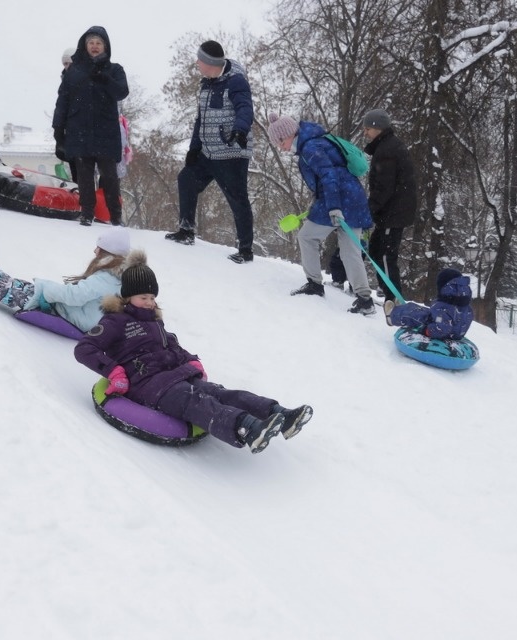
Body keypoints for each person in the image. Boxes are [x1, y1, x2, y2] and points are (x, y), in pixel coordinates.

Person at [73, 256, 313, 453]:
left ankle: (280, 414)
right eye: (143, 297)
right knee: (196, 402)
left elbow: (172, 344)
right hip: (148, 386)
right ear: (127, 297)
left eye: (152, 297)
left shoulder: (155, 321)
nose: (149, 302)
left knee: (221, 393)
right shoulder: (115, 321)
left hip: (175, 376)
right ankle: (247, 428)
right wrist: (114, 371)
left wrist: (191, 361)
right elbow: (84, 349)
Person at [267, 114, 376, 315]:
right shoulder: (314, 141)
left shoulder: (310, 147)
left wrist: (333, 207)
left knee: (307, 237)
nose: (281, 147)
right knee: (350, 250)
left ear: (290, 134)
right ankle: (365, 300)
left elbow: (329, 176)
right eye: (277, 143)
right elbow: (329, 177)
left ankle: (315, 285)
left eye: (281, 141)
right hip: (352, 198)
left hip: (339, 200)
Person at [166, 40, 256, 264]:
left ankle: (245, 249)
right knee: (186, 178)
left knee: (238, 199)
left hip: (231, 152)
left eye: (199, 60)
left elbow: (245, 107)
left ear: (209, 63)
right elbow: (201, 119)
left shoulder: (235, 81)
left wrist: (240, 129)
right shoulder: (206, 84)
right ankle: (186, 230)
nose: (196, 63)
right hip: (208, 151)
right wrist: (194, 149)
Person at [0, 227, 131, 332]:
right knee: (19, 285)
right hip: (75, 312)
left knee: (13, 292)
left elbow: (75, 296)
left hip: (71, 316)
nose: (94, 251)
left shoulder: (106, 278)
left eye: (98, 247)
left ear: (108, 251)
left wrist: (46, 288)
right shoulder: (115, 275)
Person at [53, 26, 129, 227]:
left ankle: (115, 215)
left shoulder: (115, 69)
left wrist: (106, 79)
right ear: (84, 46)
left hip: (106, 132)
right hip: (80, 131)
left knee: (109, 176)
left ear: (105, 46)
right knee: (84, 175)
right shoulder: (74, 71)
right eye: (91, 43)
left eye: (99, 43)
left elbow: (122, 92)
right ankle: (87, 212)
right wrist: (58, 129)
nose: (94, 46)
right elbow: (63, 100)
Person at [362, 109, 417, 301]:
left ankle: (393, 298)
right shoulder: (386, 147)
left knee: (385, 255)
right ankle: (387, 290)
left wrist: (368, 210)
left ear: (378, 128)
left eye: (368, 129)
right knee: (376, 250)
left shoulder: (387, 150)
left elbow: (383, 188)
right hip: (391, 212)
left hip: (393, 213)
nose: (365, 133)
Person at [386, 268, 473, 340]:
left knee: (414, 313)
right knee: (423, 310)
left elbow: (441, 328)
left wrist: (426, 331)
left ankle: (391, 315)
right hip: (454, 333)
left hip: (440, 334)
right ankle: (400, 308)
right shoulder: (465, 306)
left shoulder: (443, 308)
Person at [55, 47, 80, 185]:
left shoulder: (80, 79)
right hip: (69, 130)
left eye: (69, 62)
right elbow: (60, 106)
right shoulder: (64, 81)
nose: (67, 66)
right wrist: (58, 128)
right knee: (74, 166)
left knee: (83, 169)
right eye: (65, 64)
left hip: (79, 130)